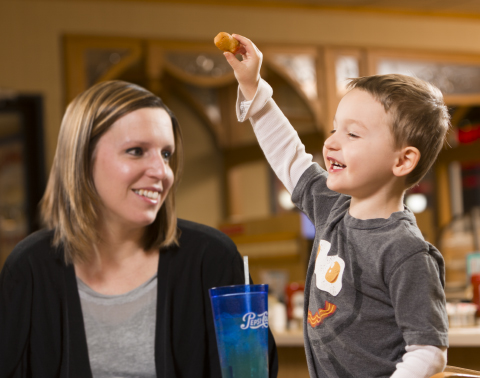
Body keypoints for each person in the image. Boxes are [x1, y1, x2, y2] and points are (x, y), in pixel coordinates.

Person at [0, 80, 278, 378]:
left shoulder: (212, 259)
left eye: (166, 154)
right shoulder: (29, 267)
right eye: (136, 151)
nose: (161, 172)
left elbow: (253, 370)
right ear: (81, 158)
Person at [224, 34, 449, 378]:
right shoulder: (333, 208)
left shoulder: (406, 252)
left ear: (403, 161)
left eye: (352, 135)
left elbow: (429, 351)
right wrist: (253, 86)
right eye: (334, 129)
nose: (330, 142)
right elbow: (289, 155)